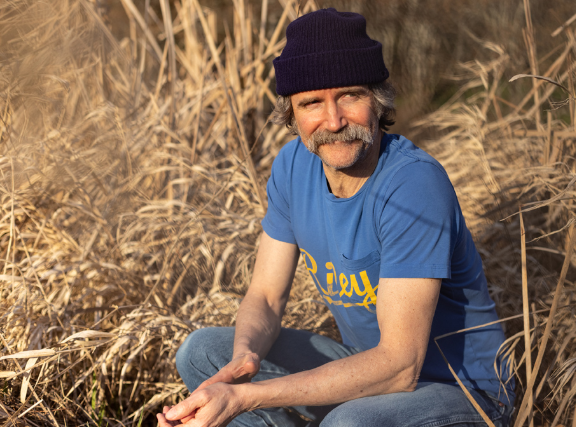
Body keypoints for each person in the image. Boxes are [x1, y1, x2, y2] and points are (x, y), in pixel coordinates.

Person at [157, 8, 514, 427]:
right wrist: (242, 362)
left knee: (348, 423)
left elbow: (400, 365)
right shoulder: (292, 166)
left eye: (350, 95)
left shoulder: (414, 185)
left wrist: (246, 397)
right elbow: (266, 297)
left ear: (377, 98)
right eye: (312, 102)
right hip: (367, 369)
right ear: (291, 112)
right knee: (201, 352)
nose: (334, 120)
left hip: (461, 392)